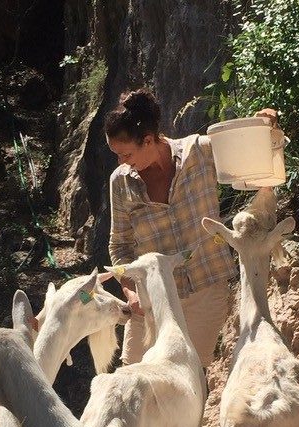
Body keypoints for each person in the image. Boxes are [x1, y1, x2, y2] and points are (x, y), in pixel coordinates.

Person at [105, 87, 276, 368]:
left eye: (125, 154)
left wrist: (263, 126)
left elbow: (249, 156)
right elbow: (119, 246)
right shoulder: (120, 181)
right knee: (134, 376)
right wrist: (131, 292)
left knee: (191, 378)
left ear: (148, 140)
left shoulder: (199, 151)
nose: (121, 162)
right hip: (153, 298)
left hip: (205, 290)